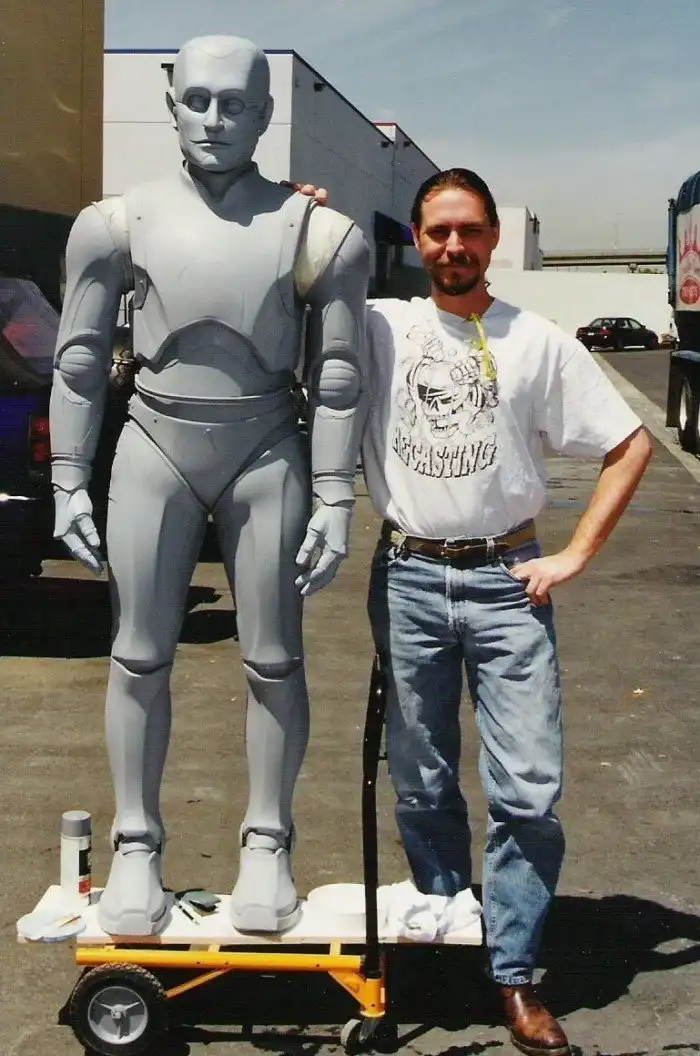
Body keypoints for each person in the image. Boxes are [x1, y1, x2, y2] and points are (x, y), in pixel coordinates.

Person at [297, 168, 652, 1055]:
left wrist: (573, 555)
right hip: (409, 576)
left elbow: (629, 443)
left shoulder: (540, 341)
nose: (453, 246)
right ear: (417, 241)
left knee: (527, 790)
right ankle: (447, 935)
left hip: (508, 579)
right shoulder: (381, 325)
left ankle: (515, 973)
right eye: (437, 232)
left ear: (492, 238)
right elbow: (296, 302)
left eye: (469, 231)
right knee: (420, 778)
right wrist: (301, 224)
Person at [49, 35, 369, 937]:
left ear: (266, 113)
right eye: (197, 100)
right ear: (172, 104)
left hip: (266, 448)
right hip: (154, 444)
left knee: (274, 658)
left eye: (235, 104)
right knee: (137, 654)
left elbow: (338, 375)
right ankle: (135, 845)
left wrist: (337, 492)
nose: (215, 120)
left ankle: (268, 842)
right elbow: (79, 362)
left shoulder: (321, 233)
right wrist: (70, 477)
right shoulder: (114, 224)